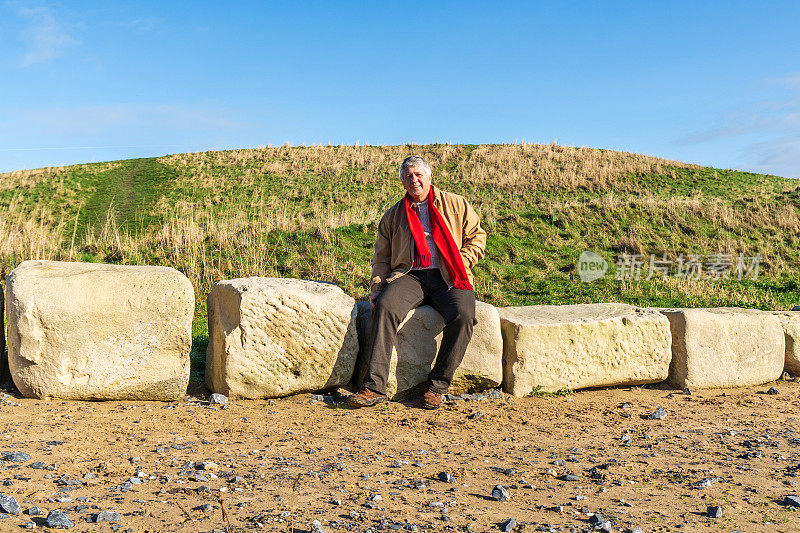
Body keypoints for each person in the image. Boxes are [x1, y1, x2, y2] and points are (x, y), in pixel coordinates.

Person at [348, 155, 487, 410]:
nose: (414, 180)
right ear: (402, 182)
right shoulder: (392, 216)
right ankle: (374, 386)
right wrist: (378, 288)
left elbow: (477, 238)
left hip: (449, 275)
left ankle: (436, 387)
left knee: (464, 315)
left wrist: (460, 261)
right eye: (408, 176)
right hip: (410, 275)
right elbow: (382, 258)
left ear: (429, 176)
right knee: (386, 307)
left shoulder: (456, 204)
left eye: (419, 175)